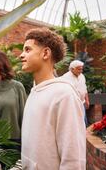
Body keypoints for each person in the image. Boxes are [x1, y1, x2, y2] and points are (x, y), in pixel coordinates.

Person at [19, 28, 86, 170]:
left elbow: (73, 159)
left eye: (27, 50)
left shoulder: (64, 95)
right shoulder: (34, 92)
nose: (21, 55)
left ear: (45, 53)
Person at [62, 60, 90, 125]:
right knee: (74, 123)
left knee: (83, 122)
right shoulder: (65, 77)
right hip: (72, 104)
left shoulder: (82, 76)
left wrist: (87, 100)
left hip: (82, 102)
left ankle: (83, 134)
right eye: (79, 69)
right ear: (72, 69)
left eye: (81, 69)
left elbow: (84, 88)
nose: (81, 71)